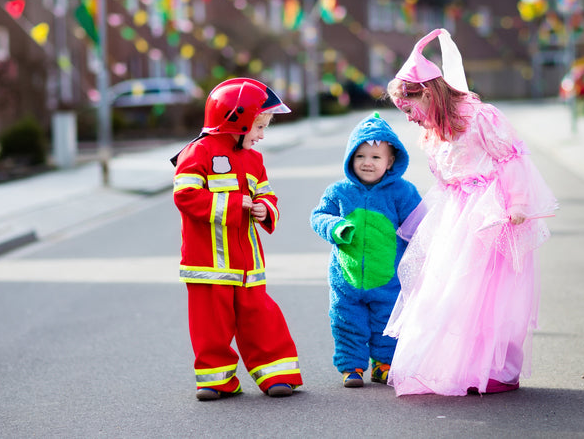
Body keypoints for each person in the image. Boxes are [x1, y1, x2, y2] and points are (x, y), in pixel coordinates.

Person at [383, 28, 558, 396]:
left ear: (428, 93)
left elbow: (510, 159)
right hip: (455, 215)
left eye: (409, 107)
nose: (409, 117)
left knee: (491, 291)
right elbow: (447, 176)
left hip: (490, 215)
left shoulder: (479, 116)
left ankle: (494, 367)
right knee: (452, 288)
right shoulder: (434, 128)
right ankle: (458, 363)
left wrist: (518, 202)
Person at [172, 78, 303, 400]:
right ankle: (216, 381)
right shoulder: (196, 152)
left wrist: (264, 209)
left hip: (248, 265)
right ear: (237, 120)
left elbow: (268, 196)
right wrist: (233, 205)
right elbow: (185, 195)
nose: (261, 135)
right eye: (259, 127)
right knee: (210, 327)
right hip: (207, 263)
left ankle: (277, 375)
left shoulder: (254, 161)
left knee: (262, 318)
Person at [310, 113, 421, 388]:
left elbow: (419, 224)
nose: (367, 163)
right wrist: (335, 227)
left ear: (390, 161)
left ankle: (384, 365)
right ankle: (352, 367)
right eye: (360, 156)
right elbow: (318, 216)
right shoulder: (339, 191)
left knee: (387, 323)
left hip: (387, 277)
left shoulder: (402, 192)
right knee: (347, 323)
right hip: (346, 279)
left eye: (375, 157)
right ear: (350, 158)